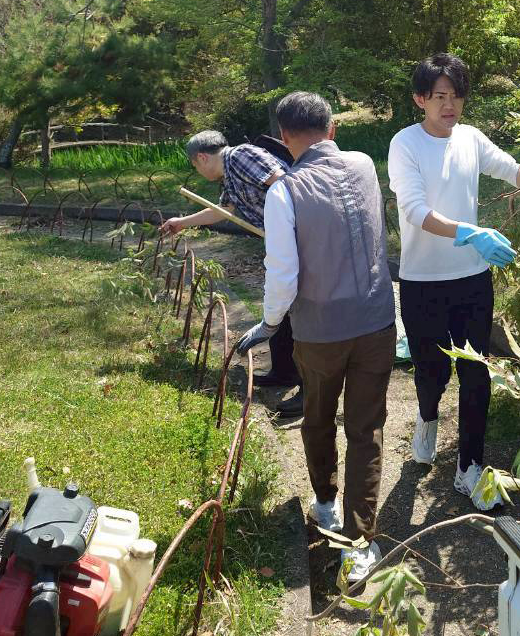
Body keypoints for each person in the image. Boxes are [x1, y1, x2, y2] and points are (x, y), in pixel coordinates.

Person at [234, 92, 396, 582]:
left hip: (321, 332)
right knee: (366, 429)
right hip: (376, 321)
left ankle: (326, 503)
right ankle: (359, 542)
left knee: (319, 416)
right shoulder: (364, 165)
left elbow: (283, 274)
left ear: (283, 137)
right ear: (333, 129)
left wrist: (269, 324)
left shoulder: (284, 192)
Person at [387, 53, 520, 511]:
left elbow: (511, 170)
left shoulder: (471, 138)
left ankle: (470, 470)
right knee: (432, 373)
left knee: (477, 374)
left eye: (457, 96)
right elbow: (414, 211)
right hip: (423, 282)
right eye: (440, 96)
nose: (450, 106)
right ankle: (426, 418)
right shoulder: (405, 144)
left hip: (473, 280)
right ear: (420, 99)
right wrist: (469, 232)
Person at [159, 131, 303, 412]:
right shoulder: (229, 175)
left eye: (195, 166)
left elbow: (287, 186)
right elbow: (223, 211)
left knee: (300, 311)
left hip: (299, 240)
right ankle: (284, 373)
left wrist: (290, 231)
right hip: (282, 241)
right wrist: (182, 222)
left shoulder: (241, 156)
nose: (199, 172)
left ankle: (310, 391)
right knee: (284, 310)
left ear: (202, 158)